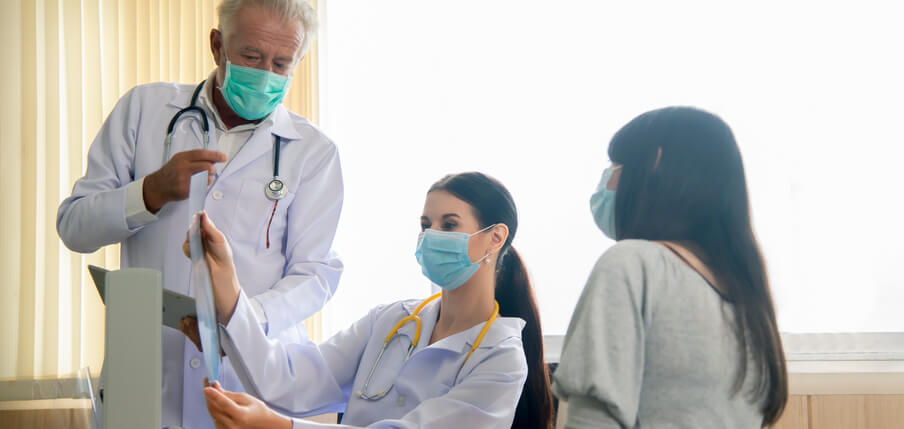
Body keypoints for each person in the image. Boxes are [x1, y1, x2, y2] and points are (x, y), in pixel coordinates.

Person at [55, 1, 343, 427]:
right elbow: (75, 227)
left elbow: (315, 273)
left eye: (282, 63)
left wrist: (242, 322)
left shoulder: (313, 152)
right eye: (251, 56)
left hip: (249, 386)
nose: (266, 73)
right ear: (216, 45)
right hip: (147, 384)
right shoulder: (144, 110)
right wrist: (149, 192)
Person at [181, 172, 554, 428]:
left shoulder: (501, 358)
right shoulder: (392, 319)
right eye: (426, 225)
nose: (431, 236)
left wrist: (280, 426)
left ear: (495, 237)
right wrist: (227, 283)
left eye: (450, 224)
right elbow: (290, 380)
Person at [552, 107, 788, 428]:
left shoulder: (632, 264)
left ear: (655, 162)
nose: (608, 178)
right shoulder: (749, 299)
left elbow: (594, 422)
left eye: (616, 165)